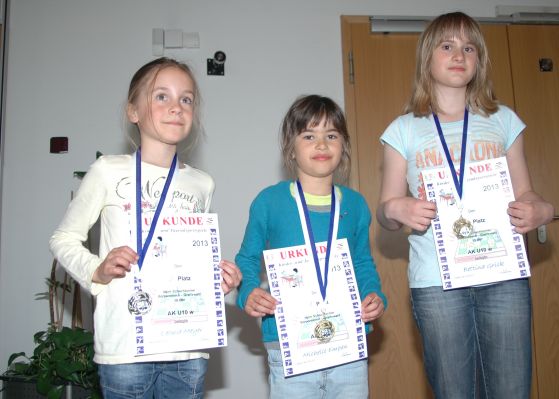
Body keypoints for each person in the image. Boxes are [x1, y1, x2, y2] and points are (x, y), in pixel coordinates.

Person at [376, 12, 554, 398]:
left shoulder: (503, 120)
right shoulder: (403, 129)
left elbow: (526, 193)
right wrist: (397, 209)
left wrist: (541, 210)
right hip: (436, 282)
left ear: (479, 61)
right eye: (447, 46)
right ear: (428, 58)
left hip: (503, 275)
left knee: (511, 390)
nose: (459, 54)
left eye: (468, 47)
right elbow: (385, 211)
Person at [49, 57, 242, 399]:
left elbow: (190, 258)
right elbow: (63, 238)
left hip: (187, 348)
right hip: (125, 346)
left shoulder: (202, 183)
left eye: (186, 99)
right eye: (161, 96)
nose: (176, 108)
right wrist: (97, 269)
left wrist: (217, 281)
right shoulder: (107, 171)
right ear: (133, 111)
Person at [235, 95, 386, 398]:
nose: (321, 144)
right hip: (289, 341)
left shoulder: (355, 205)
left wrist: (374, 294)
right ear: (290, 148)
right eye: (309, 135)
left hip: (347, 342)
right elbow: (247, 259)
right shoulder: (269, 202)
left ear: (343, 146)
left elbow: (362, 263)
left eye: (331, 135)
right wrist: (248, 291)